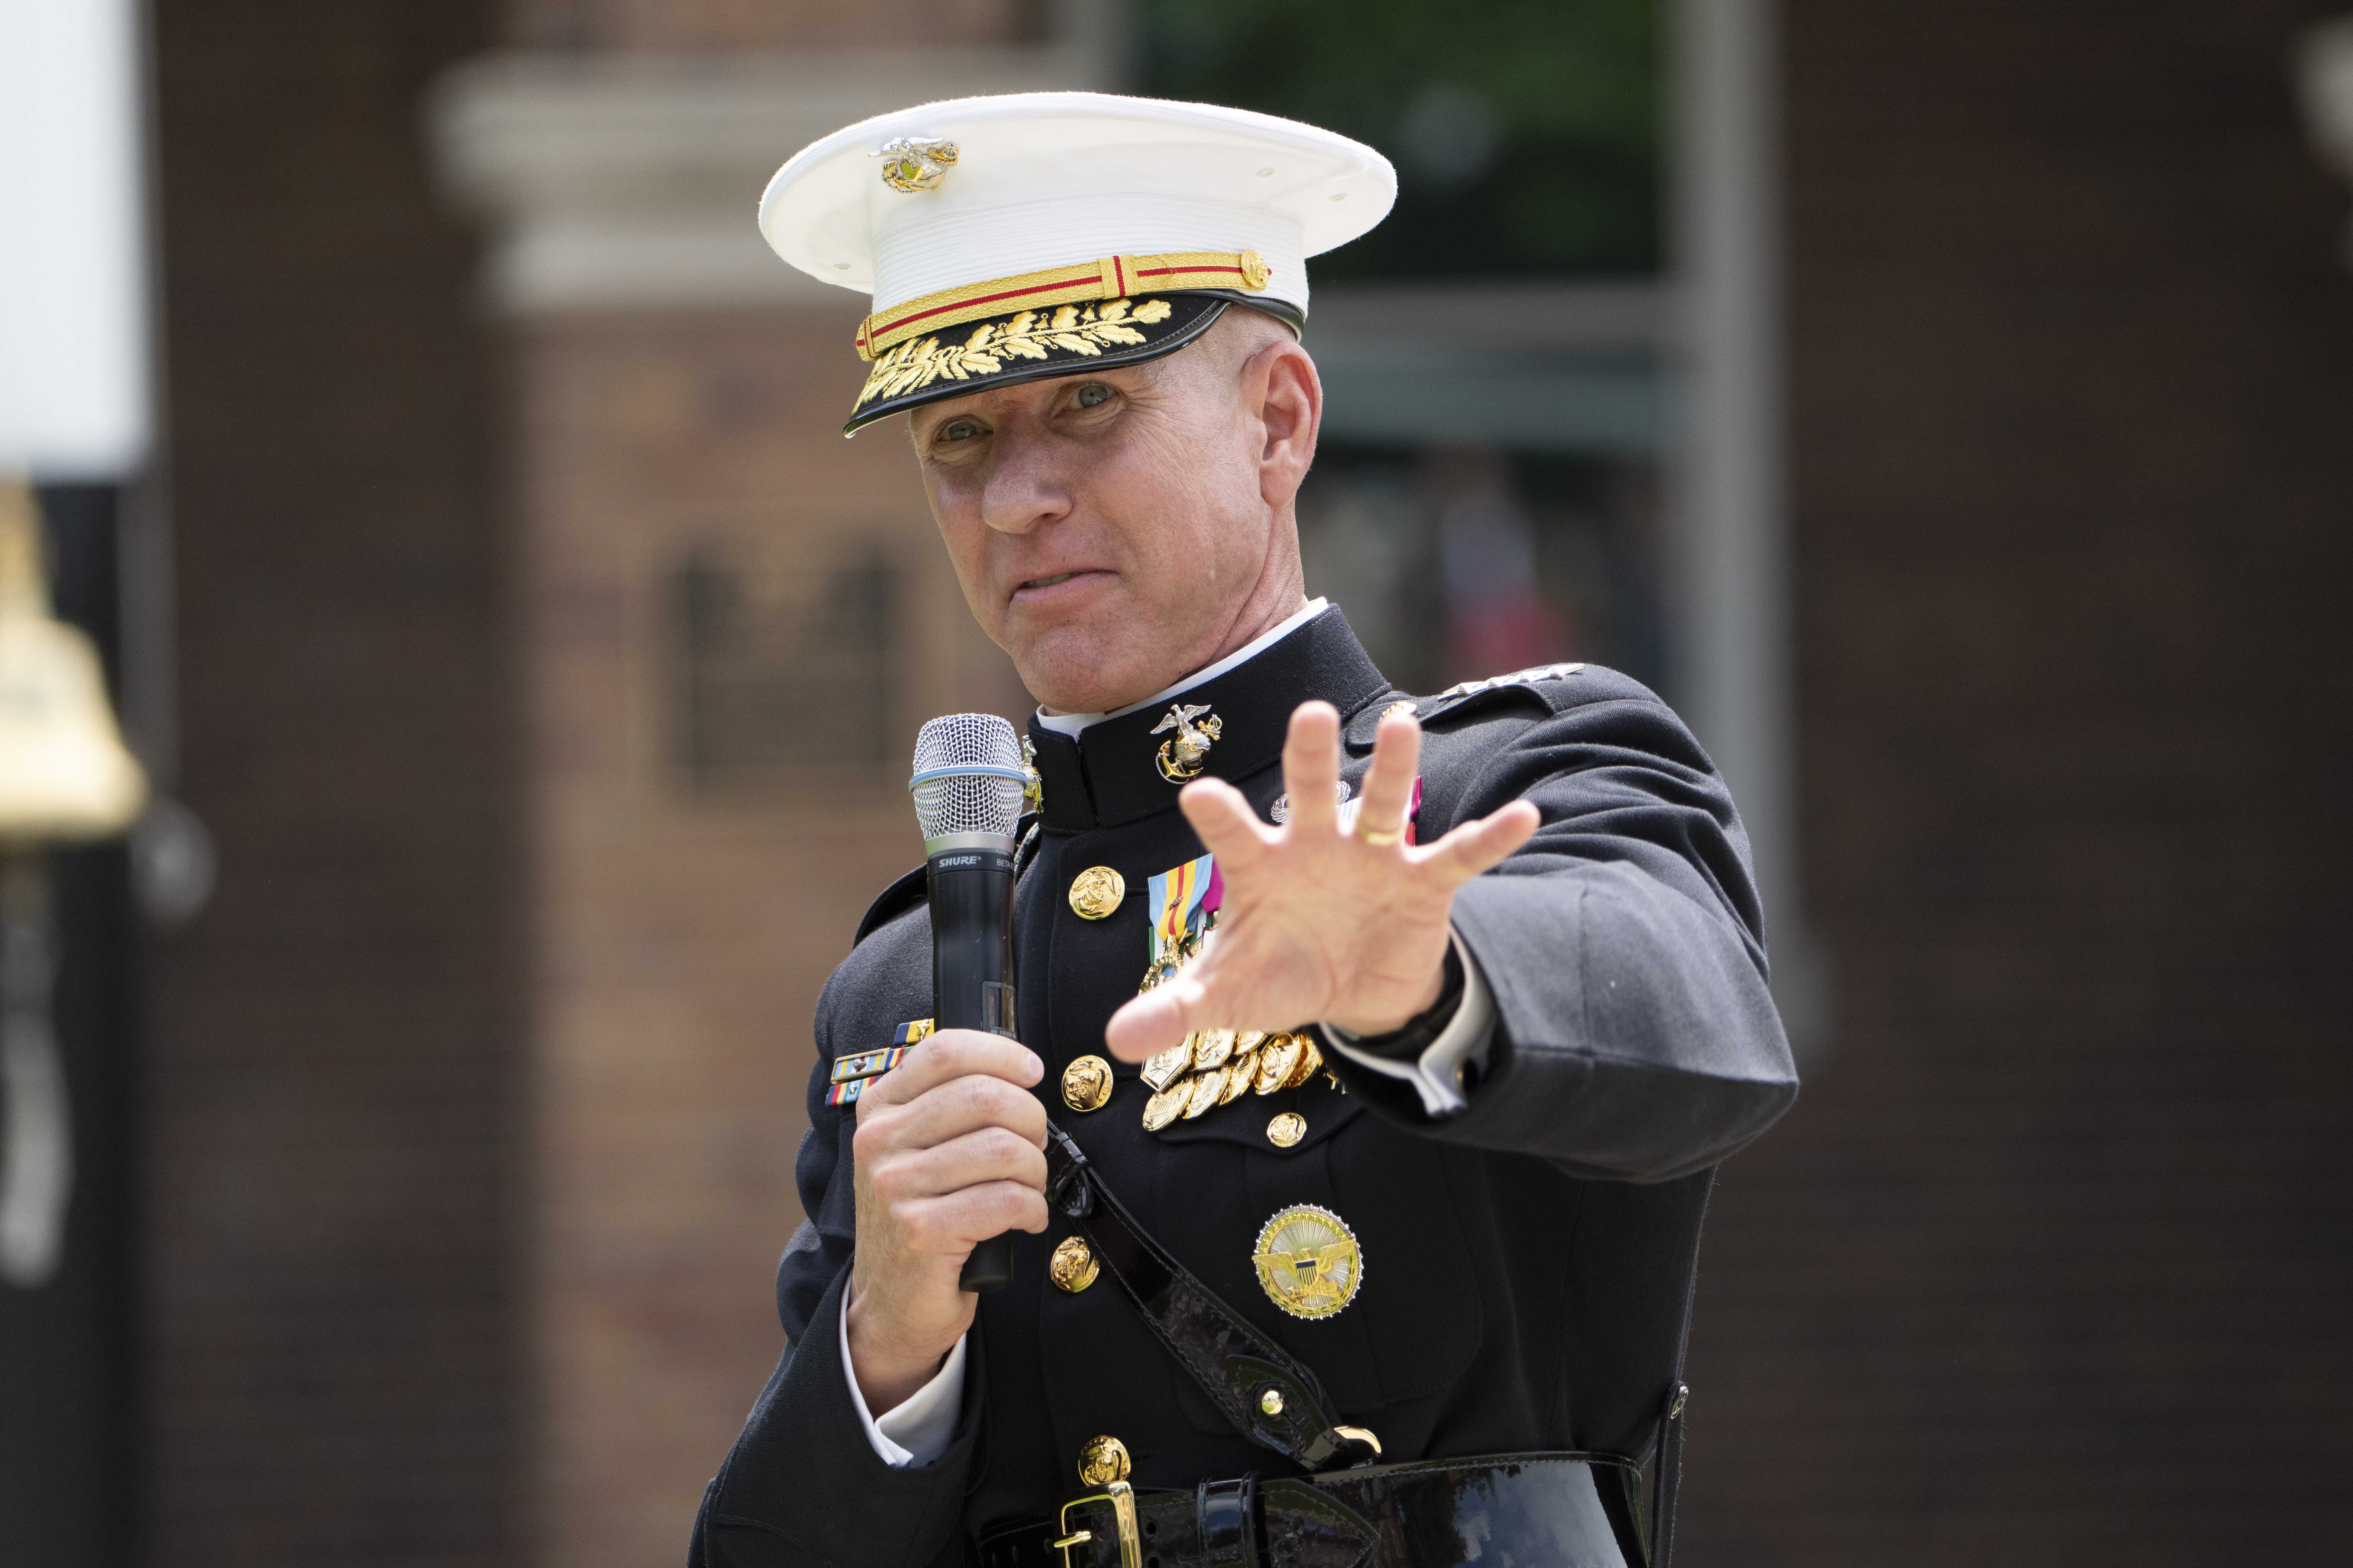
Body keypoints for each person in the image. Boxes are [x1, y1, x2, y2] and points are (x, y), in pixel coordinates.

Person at [691, 93, 1797, 1568]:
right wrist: (886, 1346)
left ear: (1278, 419)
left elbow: (1705, 1028)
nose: (1017, 497)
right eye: (959, 436)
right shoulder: (903, 987)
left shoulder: (1490, 785)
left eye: (1092, 402)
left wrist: (1428, 979)